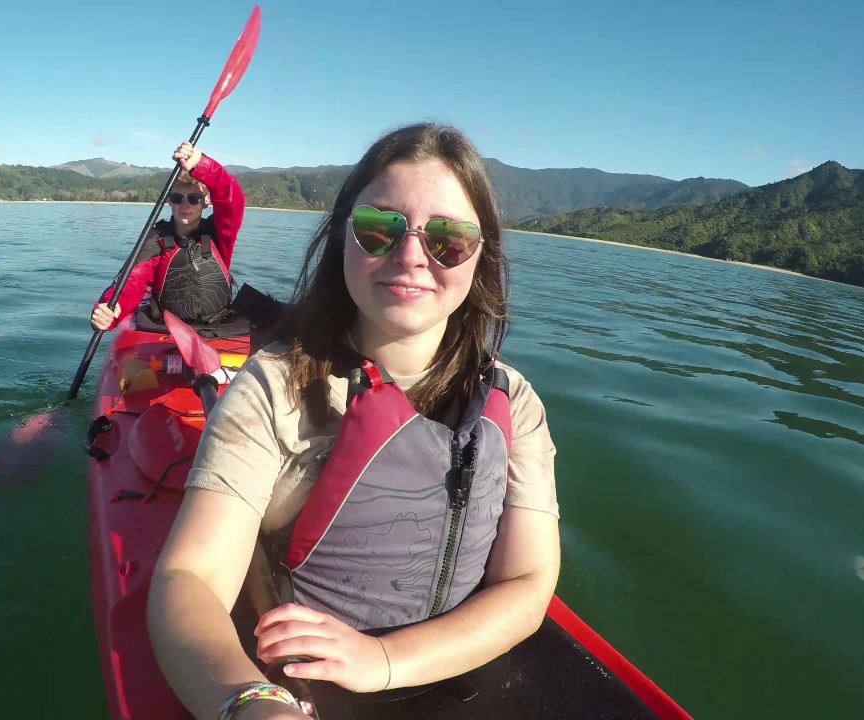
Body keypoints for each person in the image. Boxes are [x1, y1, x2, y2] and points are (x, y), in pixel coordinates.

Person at [146, 123, 560, 720]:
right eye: (379, 229)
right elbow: (190, 577)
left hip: (461, 674)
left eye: (447, 238)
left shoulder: (514, 403)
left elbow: (527, 582)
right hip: (304, 691)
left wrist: (384, 659)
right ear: (343, 237)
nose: (412, 256)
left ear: (481, 256)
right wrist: (253, 703)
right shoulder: (276, 388)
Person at [90, 141, 244, 332]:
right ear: (169, 200)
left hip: (220, 327)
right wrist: (108, 309)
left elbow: (232, 199)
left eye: (194, 198)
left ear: (205, 201)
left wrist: (202, 165)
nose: (185, 205)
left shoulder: (218, 233)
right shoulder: (155, 239)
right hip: (168, 330)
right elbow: (131, 281)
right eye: (178, 198)